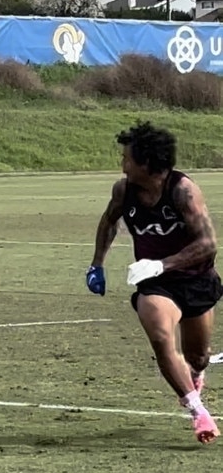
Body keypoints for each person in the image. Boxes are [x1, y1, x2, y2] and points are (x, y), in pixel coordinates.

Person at [86, 120, 221, 444]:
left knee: (198, 357)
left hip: (194, 279)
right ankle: (198, 412)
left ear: (146, 163)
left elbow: (208, 244)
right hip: (154, 286)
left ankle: (196, 376)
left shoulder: (183, 191)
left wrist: (160, 265)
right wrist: (96, 265)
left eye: (127, 158)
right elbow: (109, 221)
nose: (122, 164)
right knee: (161, 337)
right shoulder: (124, 190)